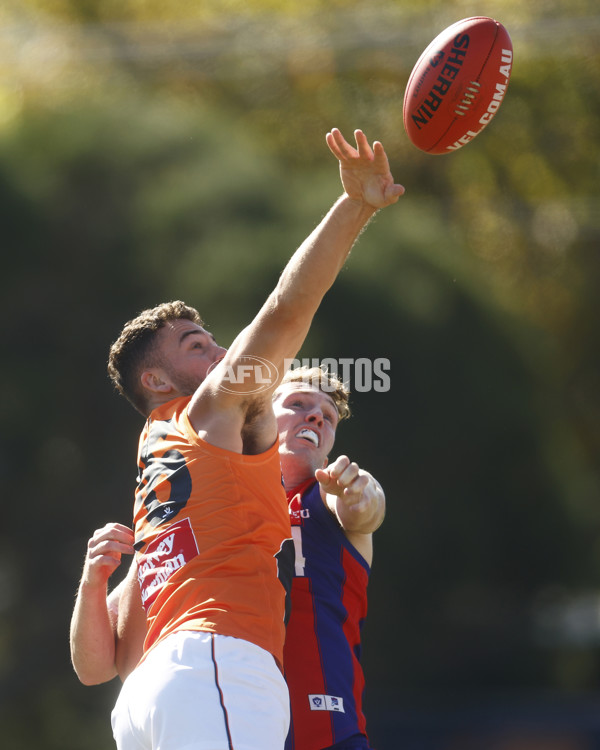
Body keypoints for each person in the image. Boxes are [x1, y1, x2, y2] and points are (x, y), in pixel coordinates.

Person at [70, 127, 402, 750]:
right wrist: (355, 204)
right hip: (216, 666)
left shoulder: (159, 458)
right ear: (155, 377)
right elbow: (285, 309)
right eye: (197, 345)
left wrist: (92, 583)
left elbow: (95, 666)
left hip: (149, 697)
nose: (221, 352)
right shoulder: (214, 409)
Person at [71, 366, 384, 750]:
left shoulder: (328, 497)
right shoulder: (205, 505)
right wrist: (92, 581)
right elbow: (94, 666)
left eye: (328, 416)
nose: (316, 416)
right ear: (260, 414)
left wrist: (360, 494)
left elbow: (367, 509)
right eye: (298, 403)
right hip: (219, 716)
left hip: (325, 733)